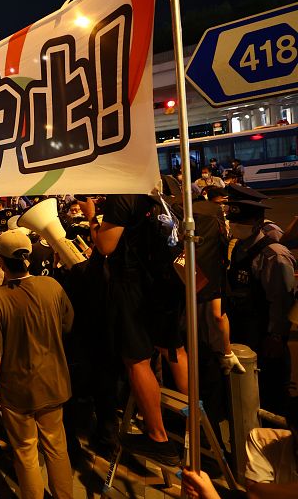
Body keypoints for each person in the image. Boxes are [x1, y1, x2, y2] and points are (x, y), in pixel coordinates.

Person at [80, 195, 186, 466]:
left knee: (137, 360)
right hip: (160, 282)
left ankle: (158, 437)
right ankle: (192, 421)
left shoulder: (122, 195)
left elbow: (105, 246)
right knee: (173, 349)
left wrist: (92, 217)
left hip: (132, 285)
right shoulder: (153, 190)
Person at [0, 230, 74, 499]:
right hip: (54, 381)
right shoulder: (52, 286)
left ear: (1, 261)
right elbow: (68, 324)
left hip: (17, 388)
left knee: (25, 451)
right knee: (57, 447)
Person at [226, 199, 296, 413]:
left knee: (272, 394)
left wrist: (276, 336)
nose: (235, 226)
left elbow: (282, 300)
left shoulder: (274, 255)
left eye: (242, 221)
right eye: (234, 221)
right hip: (246, 331)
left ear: (257, 222)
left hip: (266, 336)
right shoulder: (240, 247)